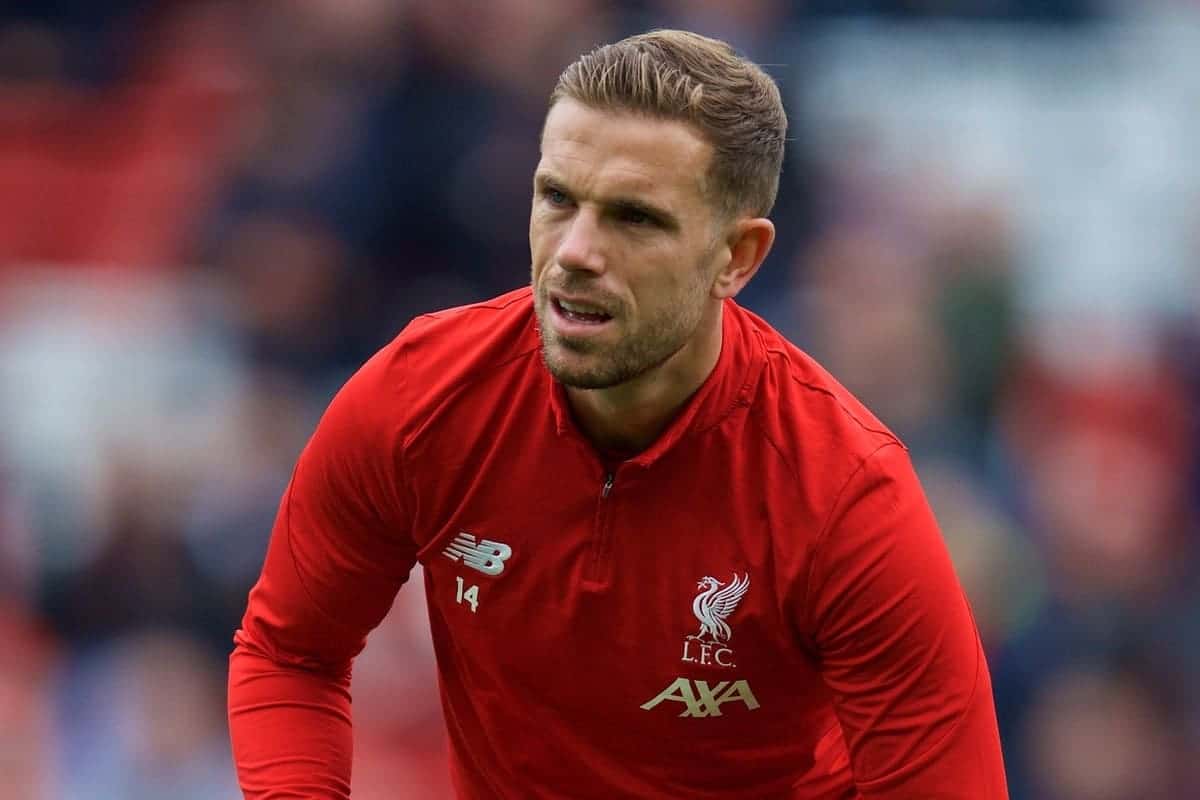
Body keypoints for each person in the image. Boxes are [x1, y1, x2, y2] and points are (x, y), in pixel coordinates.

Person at [228, 29, 1009, 799]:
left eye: (635, 218)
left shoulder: (843, 494)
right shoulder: (417, 400)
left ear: (738, 257)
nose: (574, 251)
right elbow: (291, 652)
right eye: (557, 198)